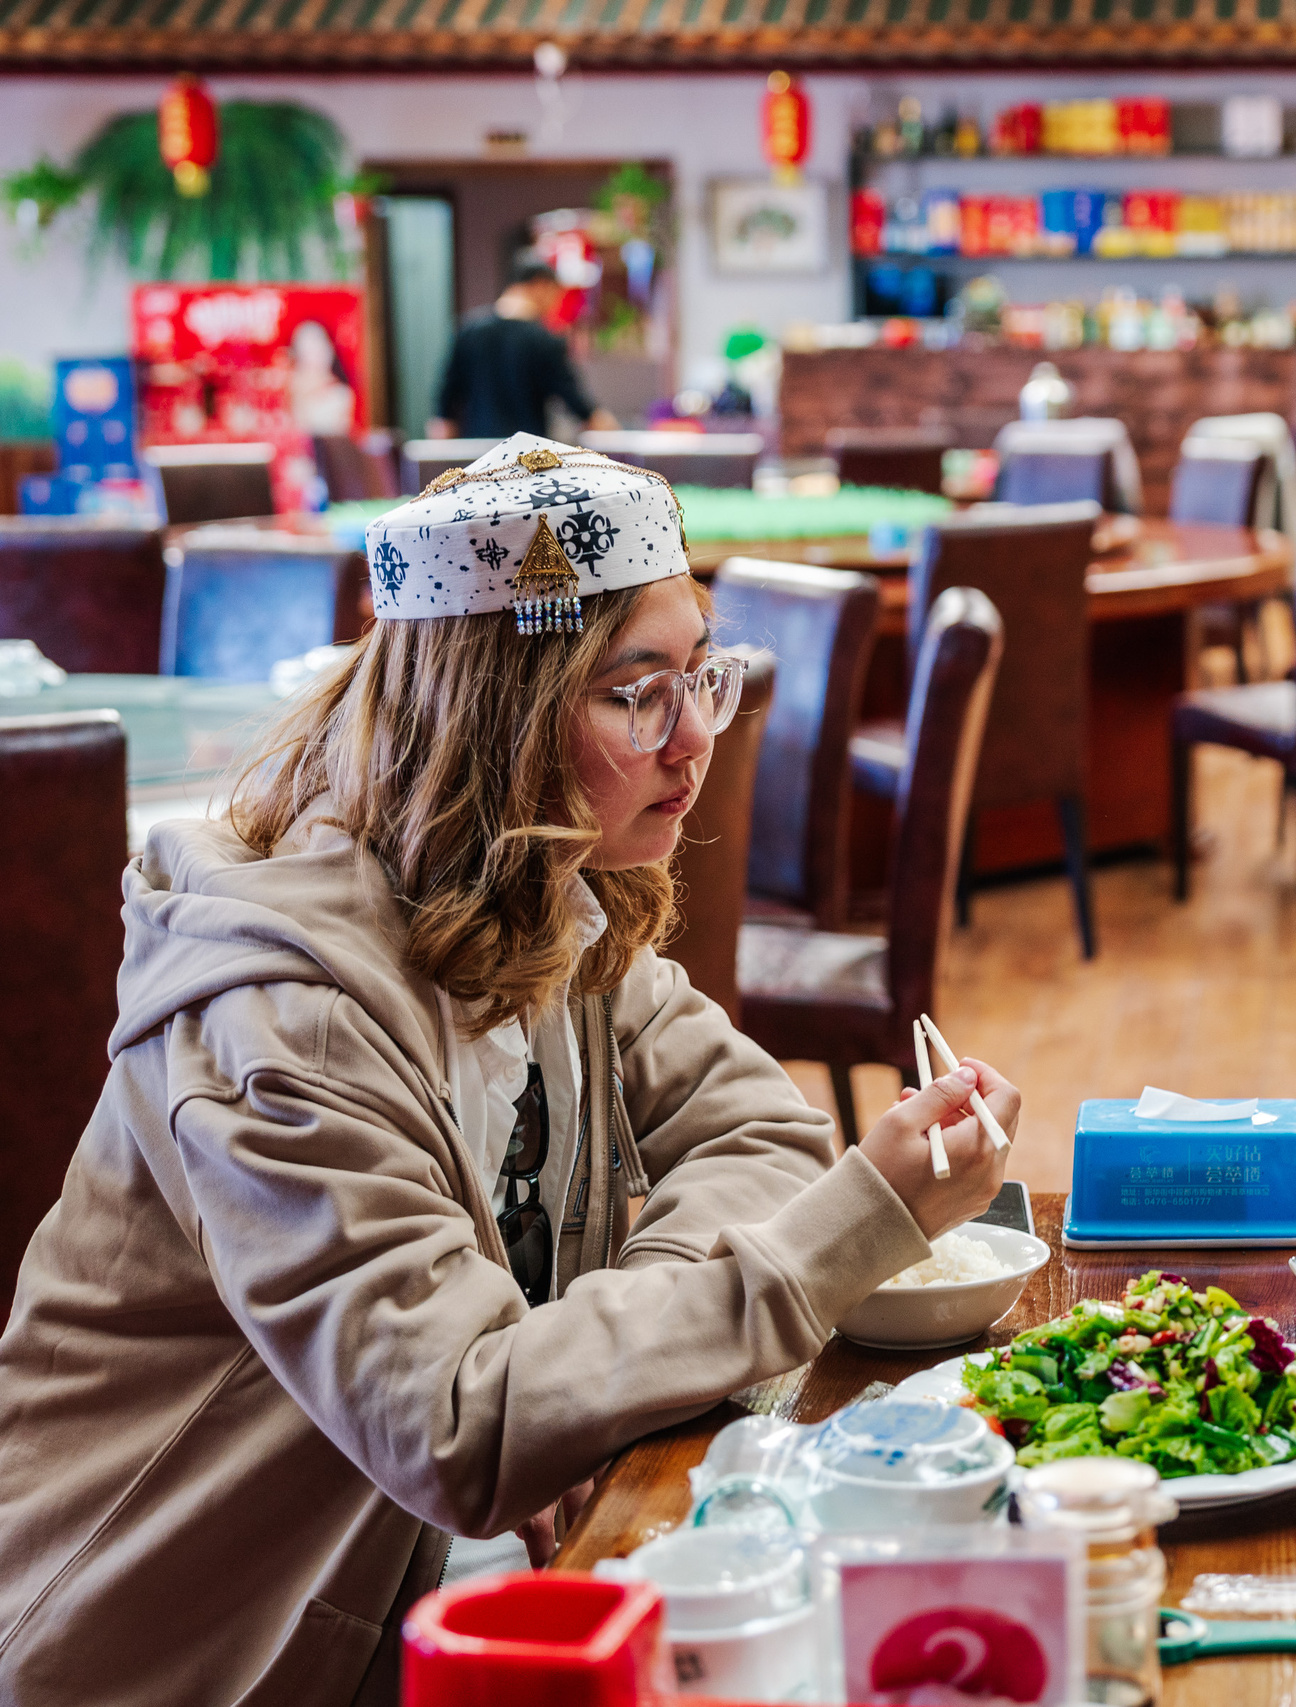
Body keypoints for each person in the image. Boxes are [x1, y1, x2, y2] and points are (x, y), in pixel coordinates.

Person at [0, 435, 1010, 1706]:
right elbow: (464, 1426)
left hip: (399, 1601)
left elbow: (756, 1126)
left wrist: (595, 1382)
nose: (694, 738)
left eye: (704, 674)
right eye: (637, 693)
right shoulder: (284, 1017)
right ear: (499, 713)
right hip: (186, 1657)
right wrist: (835, 1237)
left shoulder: (539, 896)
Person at [428, 261, 619, 441]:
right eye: (555, 294)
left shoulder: (468, 331)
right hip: (527, 459)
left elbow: (444, 410)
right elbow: (578, 404)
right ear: (540, 286)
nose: (554, 304)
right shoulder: (545, 341)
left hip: (478, 458)